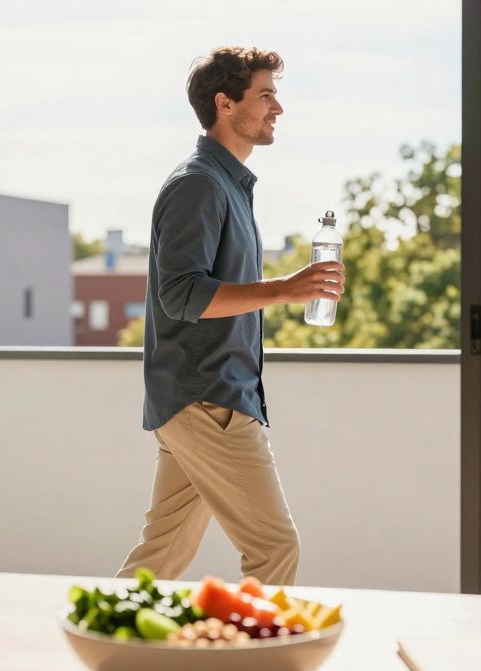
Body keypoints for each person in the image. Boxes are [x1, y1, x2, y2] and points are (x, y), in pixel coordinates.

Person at [116, 46, 346, 585]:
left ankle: (96, 631)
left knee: (161, 556)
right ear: (225, 103)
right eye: (265, 95)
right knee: (274, 547)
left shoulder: (228, 185)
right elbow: (182, 295)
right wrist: (285, 289)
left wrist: (287, 290)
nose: (277, 108)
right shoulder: (198, 184)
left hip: (201, 396)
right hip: (207, 399)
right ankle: (255, 645)